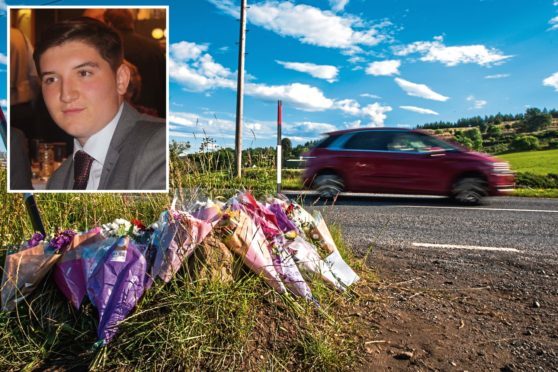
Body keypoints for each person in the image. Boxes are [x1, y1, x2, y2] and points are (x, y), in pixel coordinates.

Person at [33, 17, 166, 191]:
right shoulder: (59, 180)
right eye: (51, 79)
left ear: (121, 79)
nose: (66, 94)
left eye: (84, 73)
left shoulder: (161, 147)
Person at [104, 9, 166, 118]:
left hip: (120, 113)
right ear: (131, 22)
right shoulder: (154, 47)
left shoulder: (106, 48)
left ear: (108, 23)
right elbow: (164, 82)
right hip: (154, 111)